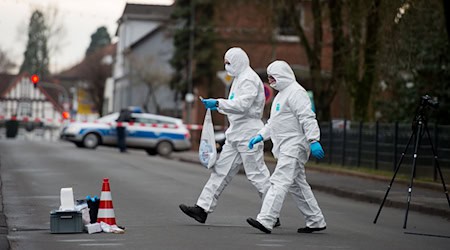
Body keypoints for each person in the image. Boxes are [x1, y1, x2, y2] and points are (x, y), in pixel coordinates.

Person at [179, 47, 280, 227]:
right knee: (220, 171)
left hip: (248, 133)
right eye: (225, 63)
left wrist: (218, 103)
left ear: (238, 61)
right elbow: (235, 105)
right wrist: (219, 105)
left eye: (229, 62)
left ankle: (271, 213)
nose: (226, 66)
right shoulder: (239, 78)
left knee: (257, 174)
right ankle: (202, 208)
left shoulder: (248, 79)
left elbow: (242, 105)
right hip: (236, 134)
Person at [246, 60, 326, 234]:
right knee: (298, 185)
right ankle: (315, 220)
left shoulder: (296, 92)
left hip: (294, 145)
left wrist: (314, 140)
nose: (271, 81)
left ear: (282, 74)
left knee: (279, 180)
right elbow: (274, 123)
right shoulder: (281, 95)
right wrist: (260, 135)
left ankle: (266, 219)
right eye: (269, 78)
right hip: (285, 146)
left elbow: (307, 117)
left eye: (273, 77)